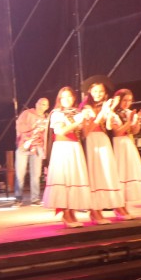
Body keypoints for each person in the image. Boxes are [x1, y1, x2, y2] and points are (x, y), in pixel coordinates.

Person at [42, 87, 91, 228]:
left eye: (69, 97)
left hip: (75, 147)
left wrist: (86, 121)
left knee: (74, 179)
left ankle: (72, 212)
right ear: (59, 99)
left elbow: (84, 134)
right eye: (63, 97)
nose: (67, 100)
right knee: (65, 179)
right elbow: (61, 130)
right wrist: (77, 121)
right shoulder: (57, 114)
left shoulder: (77, 112)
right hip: (62, 148)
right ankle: (65, 214)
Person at [80, 83, 124, 224]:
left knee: (107, 173)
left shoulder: (104, 105)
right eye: (95, 91)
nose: (98, 94)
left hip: (103, 140)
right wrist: (103, 112)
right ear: (90, 92)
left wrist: (109, 110)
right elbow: (88, 130)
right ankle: (94, 211)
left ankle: (114, 206)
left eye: (101, 91)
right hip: (92, 141)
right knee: (95, 174)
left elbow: (109, 127)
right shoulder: (86, 108)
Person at [110, 88, 141, 217]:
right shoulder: (112, 113)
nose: (127, 103)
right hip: (117, 145)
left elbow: (134, 131)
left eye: (129, 100)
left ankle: (124, 206)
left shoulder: (129, 113)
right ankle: (118, 207)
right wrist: (129, 121)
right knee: (120, 174)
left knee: (128, 174)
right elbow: (117, 132)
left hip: (128, 144)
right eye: (124, 100)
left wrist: (138, 119)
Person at [14, 97, 50, 206]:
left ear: (47, 107)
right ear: (36, 104)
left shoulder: (47, 119)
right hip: (24, 145)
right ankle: (18, 198)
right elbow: (19, 126)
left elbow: (46, 136)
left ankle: (35, 198)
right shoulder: (27, 113)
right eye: (40, 103)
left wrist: (44, 150)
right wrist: (32, 125)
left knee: (36, 174)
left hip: (37, 147)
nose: (41, 106)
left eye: (44, 104)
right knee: (20, 173)